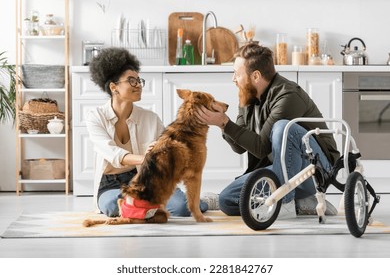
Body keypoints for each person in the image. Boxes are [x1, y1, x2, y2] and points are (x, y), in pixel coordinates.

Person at [196, 43, 339, 218]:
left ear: (255, 76)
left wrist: (226, 123)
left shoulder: (288, 95)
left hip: (315, 170)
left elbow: (261, 147)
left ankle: (285, 202)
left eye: (237, 74)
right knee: (227, 200)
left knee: (283, 128)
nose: (233, 79)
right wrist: (222, 125)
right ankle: (302, 203)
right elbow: (240, 147)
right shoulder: (246, 96)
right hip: (281, 168)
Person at [86, 47, 211, 217]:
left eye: (139, 80)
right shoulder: (96, 117)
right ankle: (144, 205)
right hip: (111, 184)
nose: (138, 85)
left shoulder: (150, 118)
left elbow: (168, 152)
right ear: (114, 87)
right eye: (131, 81)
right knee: (113, 207)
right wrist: (145, 158)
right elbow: (112, 153)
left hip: (147, 179)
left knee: (181, 208)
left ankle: (202, 202)